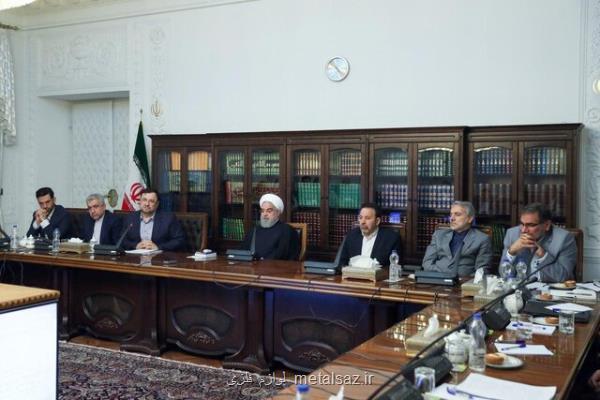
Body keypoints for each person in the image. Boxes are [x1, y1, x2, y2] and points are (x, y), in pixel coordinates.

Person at [500, 202, 576, 283]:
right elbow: (502, 274)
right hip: (517, 288)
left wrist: (542, 255)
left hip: (548, 289)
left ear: (547, 225)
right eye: (522, 224)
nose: (524, 230)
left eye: (531, 225)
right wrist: (511, 252)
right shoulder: (512, 234)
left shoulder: (564, 239)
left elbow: (563, 277)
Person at [422, 201, 492, 276]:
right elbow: (427, 263)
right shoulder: (439, 235)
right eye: (451, 214)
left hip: (464, 281)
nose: (452, 218)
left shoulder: (482, 239)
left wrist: (465, 281)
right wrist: (443, 276)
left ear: (470, 219)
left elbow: (481, 270)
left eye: (457, 214)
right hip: (437, 278)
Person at [337, 203, 402, 268]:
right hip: (353, 274)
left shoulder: (391, 239)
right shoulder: (351, 236)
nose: (362, 222)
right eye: (360, 217)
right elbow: (342, 264)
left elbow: (394, 267)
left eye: (367, 218)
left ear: (377, 221)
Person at [121, 188, 186, 251]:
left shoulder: (168, 219)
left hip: (160, 256)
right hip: (135, 256)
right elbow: (122, 240)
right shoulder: (130, 218)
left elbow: (179, 240)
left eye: (151, 201)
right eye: (144, 200)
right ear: (140, 201)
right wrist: (135, 246)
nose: (147, 204)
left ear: (157, 204)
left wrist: (158, 247)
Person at [241, 193, 299, 260]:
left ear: (278, 212)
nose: (264, 214)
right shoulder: (253, 231)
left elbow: (284, 257)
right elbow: (242, 253)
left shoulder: (287, 231)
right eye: (262, 211)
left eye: (269, 211)